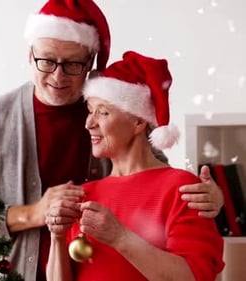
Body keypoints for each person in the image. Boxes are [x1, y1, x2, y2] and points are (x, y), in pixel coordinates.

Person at [0, 0, 224, 280]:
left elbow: (153, 177)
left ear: (90, 63)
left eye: (72, 64)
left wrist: (210, 198)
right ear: (29, 55)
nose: (58, 75)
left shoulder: (113, 106)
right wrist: (36, 214)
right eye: (47, 60)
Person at [46, 51, 225, 281]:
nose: (89, 123)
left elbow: (193, 277)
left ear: (139, 121)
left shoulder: (182, 188)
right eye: (90, 111)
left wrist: (120, 237)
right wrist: (57, 237)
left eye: (103, 112)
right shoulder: (86, 195)